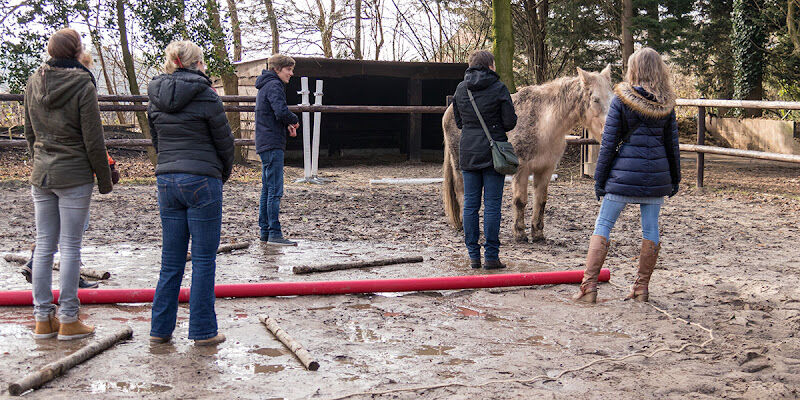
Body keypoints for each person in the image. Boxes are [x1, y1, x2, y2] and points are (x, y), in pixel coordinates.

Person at [24, 28, 113, 340]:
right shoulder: (82, 82)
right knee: (71, 247)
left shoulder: (33, 81)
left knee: (45, 244)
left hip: (42, 174)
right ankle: (70, 318)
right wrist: (104, 179)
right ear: (77, 52)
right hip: (74, 174)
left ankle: (42, 319)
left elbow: (29, 132)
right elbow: (93, 138)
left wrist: (39, 159)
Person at [574, 47, 681, 304]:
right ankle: (641, 288)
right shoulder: (666, 104)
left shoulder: (623, 100)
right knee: (651, 229)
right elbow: (672, 145)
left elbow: (609, 144)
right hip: (656, 177)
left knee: (603, 225)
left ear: (634, 69)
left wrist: (600, 180)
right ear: (659, 71)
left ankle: (589, 287)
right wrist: (674, 179)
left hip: (623, 176)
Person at [147, 40, 234, 346]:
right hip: (202, 180)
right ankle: (203, 330)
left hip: (167, 180)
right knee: (203, 259)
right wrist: (220, 173)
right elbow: (225, 142)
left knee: (170, 261)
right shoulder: (207, 95)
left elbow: (156, 139)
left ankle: (159, 329)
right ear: (198, 63)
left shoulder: (155, 94)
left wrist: (169, 167)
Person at [451, 50, 517, 269]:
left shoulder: (461, 89)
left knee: (470, 204)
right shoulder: (499, 88)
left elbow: (459, 121)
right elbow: (509, 122)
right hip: (493, 153)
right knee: (492, 206)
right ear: (490, 65)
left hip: (468, 150)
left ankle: (473, 256)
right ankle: (491, 256)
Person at [21, 153, 119, 289]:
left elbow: (32, 139)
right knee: (72, 238)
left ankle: (41, 297)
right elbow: (94, 146)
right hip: (74, 179)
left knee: (50, 232)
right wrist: (109, 171)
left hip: (44, 175)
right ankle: (72, 289)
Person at [254, 54, 300, 246]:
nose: (291, 74)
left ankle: (265, 231)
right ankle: (274, 232)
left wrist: (285, 124)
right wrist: (293, 120)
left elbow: (274, 113)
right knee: (275, 189)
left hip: (265, 141)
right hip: (272, 143)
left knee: (267, 188)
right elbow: (280, 111)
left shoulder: (266, 85)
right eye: (288, 69)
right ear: (277, 69)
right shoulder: (274, 86)